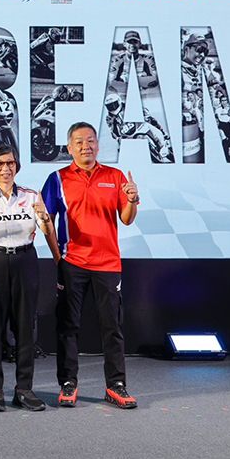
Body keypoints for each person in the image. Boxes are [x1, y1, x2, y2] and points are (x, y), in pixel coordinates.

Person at [40, 121, 139, 410]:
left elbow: (127, 218)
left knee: (112, 327)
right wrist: (57, 257)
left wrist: (132, 200)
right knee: (68, 326)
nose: (86, 146)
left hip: (108, 264)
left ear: (98, 144)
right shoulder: (57, 179)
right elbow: (46, 221)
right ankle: (67, 383)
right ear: (69, 148)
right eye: (80, 142)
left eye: (91, 141)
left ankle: (116, 385)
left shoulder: (115, 176)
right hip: (72, 263)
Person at [0, 145, 58, 412]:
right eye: (0, 164)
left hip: (25, 260)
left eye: (10, 163)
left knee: (25, 328)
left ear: (17, 166)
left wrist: (45, 219)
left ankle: (24, 389)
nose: (5, 168)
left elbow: (46, 229)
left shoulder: (31, 196)